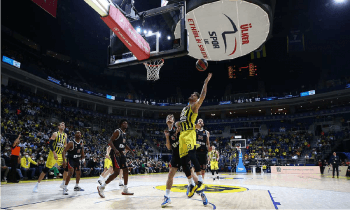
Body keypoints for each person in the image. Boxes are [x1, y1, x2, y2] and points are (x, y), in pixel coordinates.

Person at [175, 73, 212, 198]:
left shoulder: (195, 106)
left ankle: (200, 181)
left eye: (193, 95)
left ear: (196, 99)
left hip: (190, 133)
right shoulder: (184, 109)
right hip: (182, 135)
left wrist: (205, 83)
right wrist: (177, 124)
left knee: (191, 155)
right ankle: (190, 183)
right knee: (183, 161)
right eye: (192, 95)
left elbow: (202, 96)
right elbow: (181, 122)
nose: (191, 95)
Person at [162, 114, 207, 207]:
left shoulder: (178, 126)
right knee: (170, 175)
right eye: (168, 117)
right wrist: (166, 137)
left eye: (171, 117)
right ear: (166, 120)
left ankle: (202, 194)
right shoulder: (167, 132)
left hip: (184, 153)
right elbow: (169, 147)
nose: (169, 118)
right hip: (175, 155)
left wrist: (195, 126)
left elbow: (189, 127)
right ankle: (166, 196)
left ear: (174, 121)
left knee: (192, 175)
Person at [97, 119, 135, 198]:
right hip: (115, 153)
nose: (125, 124)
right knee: (116, 172)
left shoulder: (124, 134)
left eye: (126, 123)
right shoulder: (117, 131)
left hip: (121, 153)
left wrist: (130, 150)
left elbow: (124, 144)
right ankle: (101, 187)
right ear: (121, 124)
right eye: (124, 123)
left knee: (125, 170)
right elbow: (110, 141)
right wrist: (115, 149)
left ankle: (125, 189)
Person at [33, 122, 68, 193]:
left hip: (61, 155)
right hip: (53, 154)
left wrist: (64, 154)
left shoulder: (65, 135)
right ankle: (37, 185)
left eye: (64, 125)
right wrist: (54, 153)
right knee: (46, 169)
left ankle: (63, 184)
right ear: (58, 126)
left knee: (66, 168)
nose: (63, 126)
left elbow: (65, 145)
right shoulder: (55, 134)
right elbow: (50, 145)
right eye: (61, 125)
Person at [62, 131, 85, 195]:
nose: (79, 134)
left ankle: (76, 186)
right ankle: (65, 188)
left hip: (77, 160)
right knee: (71, 172)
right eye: (78, 133)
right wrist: (64, 161)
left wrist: (84, 158)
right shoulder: (71, 143)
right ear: (75, 135)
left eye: (80, 133)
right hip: (71, 159)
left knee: (79, 173)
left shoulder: (81, 142)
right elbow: (64, 151)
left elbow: (82, 150)